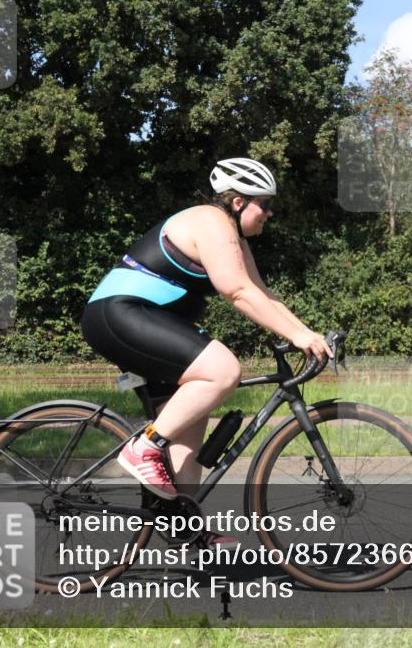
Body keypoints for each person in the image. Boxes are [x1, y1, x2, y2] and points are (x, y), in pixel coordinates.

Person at [80, 157, 331, 506]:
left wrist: (308, 334)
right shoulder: (212, 221)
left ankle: (185, 524)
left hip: (142, 319)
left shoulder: (235, 240)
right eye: (266, 204)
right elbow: (237, 293)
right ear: (239, 201)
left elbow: (263, 296)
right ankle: (142, 448)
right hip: (120, 313)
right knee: (223, 370)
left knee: (189, 423)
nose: (270, 213)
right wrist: (298, 336)